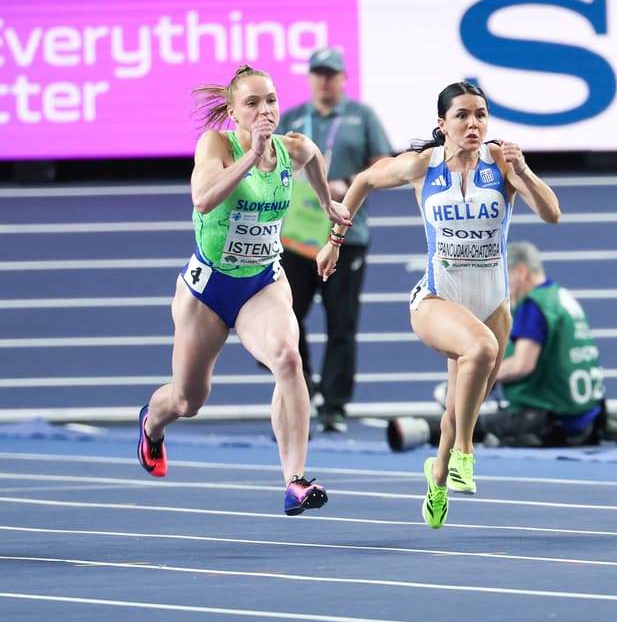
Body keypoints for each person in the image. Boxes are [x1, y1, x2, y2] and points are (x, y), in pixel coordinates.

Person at [317, 81, 561, 528]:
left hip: (492, 304)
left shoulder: (501, 164)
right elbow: (364, 181)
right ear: (442, 124)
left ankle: (438, 478)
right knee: (481, 349)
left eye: (480, 115)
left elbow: (552, 214)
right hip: (437, 296)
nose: (473, 123)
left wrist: (523, 172)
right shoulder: (421, 166)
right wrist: (334, 241)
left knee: (458, 407)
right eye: (462, 115)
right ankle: (466, 453)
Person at [136, 64, 351, 517]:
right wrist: (251, 156)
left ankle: (294, 480)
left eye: (270, 100)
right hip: (208, 290)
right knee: (188, 400)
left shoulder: (291, 148)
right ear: (234, 113)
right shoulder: (216, 145)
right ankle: (152, 426)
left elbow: (313, 155)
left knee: (288, 358)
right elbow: (203, 198)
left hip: (261, 282)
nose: (264, 110)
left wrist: (326, 201)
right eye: (252, 103)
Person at [396, 241, 617, 450]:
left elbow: (523, 365)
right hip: (585, 416)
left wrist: (473, 378)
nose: (503, 287)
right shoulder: (559, 296)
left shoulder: (534, 305)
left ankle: (422, 431)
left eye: (505, 277)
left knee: (470, 423)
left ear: (521, 272)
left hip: (551, 419)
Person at [275, 47, 393, 433]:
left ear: (343, 78)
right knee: (284, 315)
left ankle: (334, 405)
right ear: (310, 77)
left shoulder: (362, 117)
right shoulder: (293, 118)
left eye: (331, 74)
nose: (324, 80)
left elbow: (384, 164)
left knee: (342, 321)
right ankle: (302, 387)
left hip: (347, 232)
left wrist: (349, 182)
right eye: (318, 73)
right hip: (296, 236)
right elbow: (269, 162)